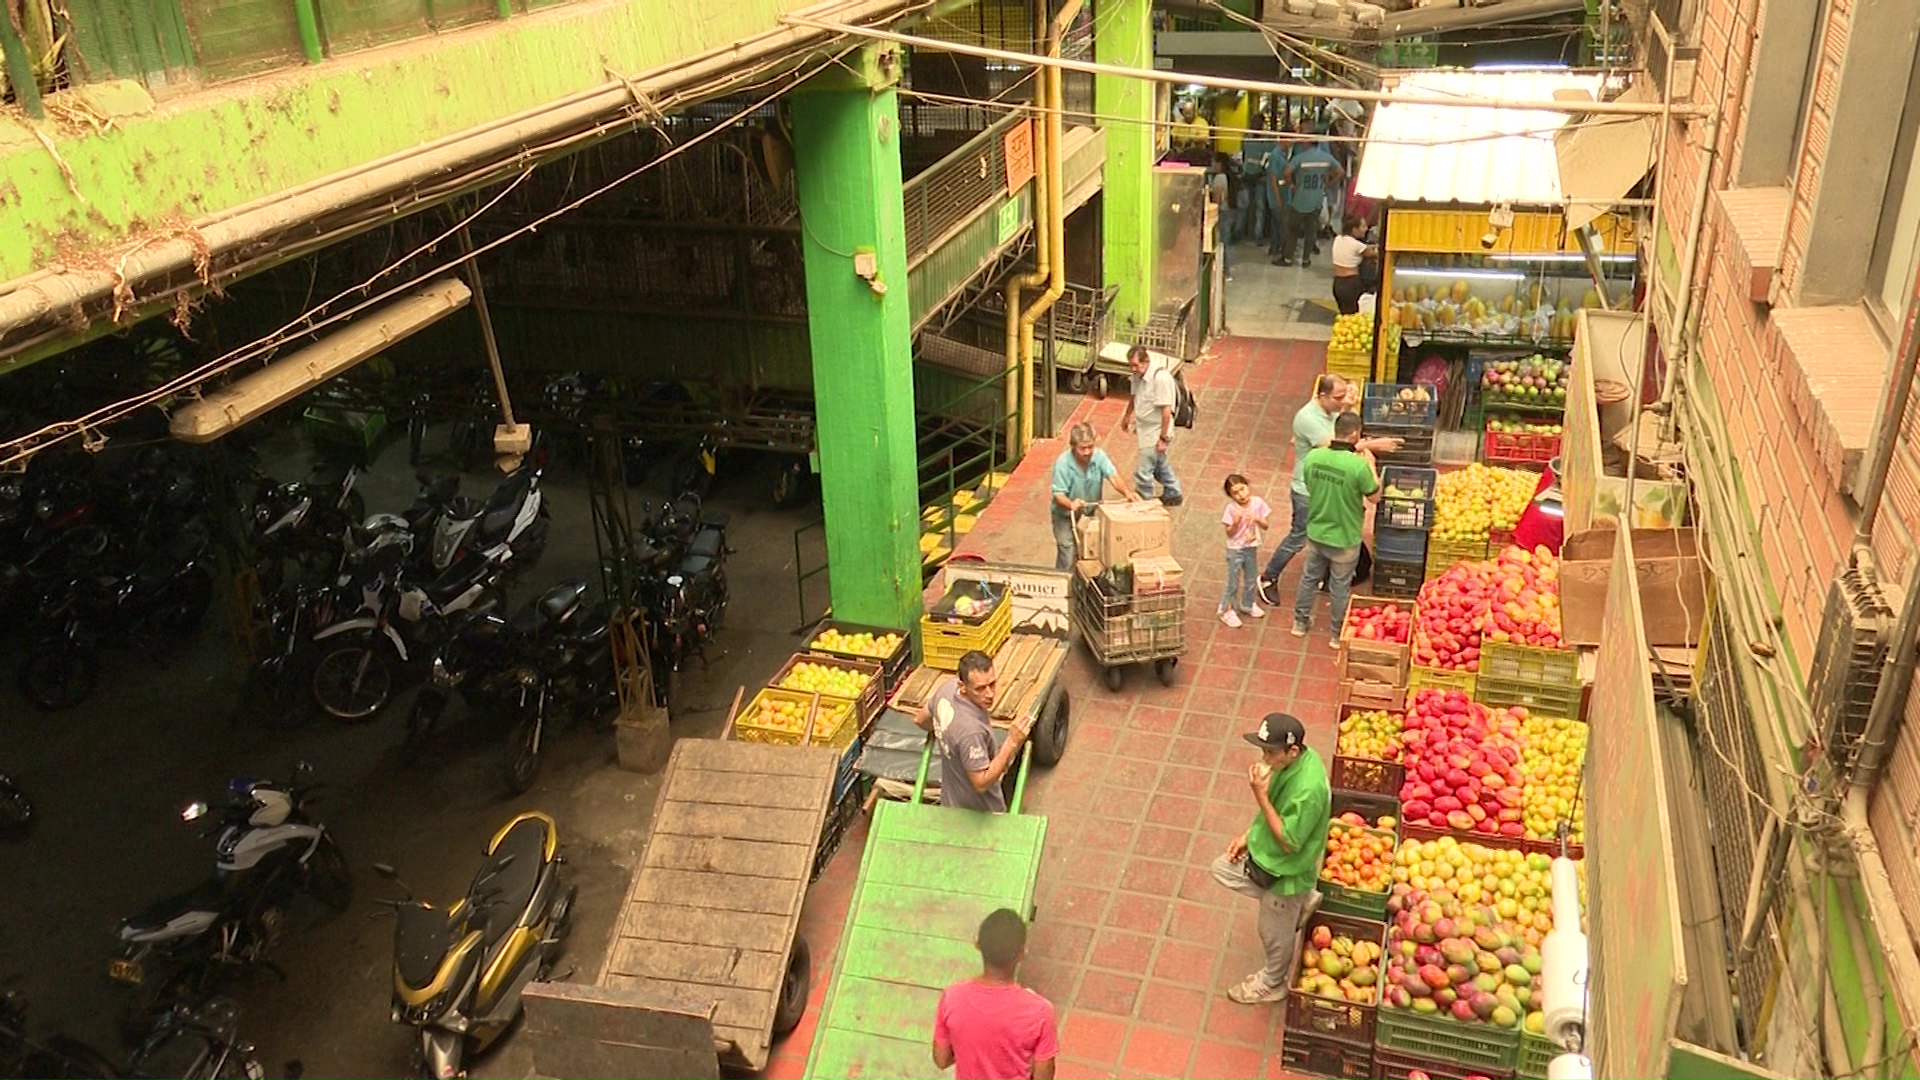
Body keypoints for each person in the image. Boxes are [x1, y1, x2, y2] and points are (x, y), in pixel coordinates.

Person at [1211, 712, 1330, 1005]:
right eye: (1263, 750)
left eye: (1270, 752)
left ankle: (1273, 982)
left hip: (1285, 872)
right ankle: (1301, 902)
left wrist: (1260, 795)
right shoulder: (1294, 759)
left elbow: (1290, 843)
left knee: (1272, 933)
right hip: (1266, 856)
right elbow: (1276, 809)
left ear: (1292, 750)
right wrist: (1250, 835)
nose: (1265, 758)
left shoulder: (1309, 789)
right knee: (1222, 869)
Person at [1257, 376, 1397, 606]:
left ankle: (1327, 574)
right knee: (1299, 536)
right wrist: (1373, 445)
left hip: (1326, 483)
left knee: (1333, 527)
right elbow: (1335, 446)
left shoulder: (1331, 412)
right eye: (1338, 398)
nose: (1342, 402)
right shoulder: (1308, 418)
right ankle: (1268, 578)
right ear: (1322, 395)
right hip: (1307, 487)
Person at [933, 908, 1060, 1080]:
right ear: (1022, 953)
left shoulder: (952, 996)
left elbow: (941, 1059)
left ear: (977, 943)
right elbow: (1043, 1077)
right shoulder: (1041, 1011)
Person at [1293, 410, 1379, 645]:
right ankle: (1335, 634)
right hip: (1345, 537)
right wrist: (1371, 464)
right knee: (1339, 587)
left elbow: (1310, 485)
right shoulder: (1357, 466)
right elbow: (1374, 497)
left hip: (1317, 531)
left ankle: (1300, 623)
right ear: (1354, 434)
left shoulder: (1313, 457)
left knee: (1309, 578)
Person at [911, 650, 1030, 813]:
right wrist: (1011, 743)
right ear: (963, 686)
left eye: (992, 684)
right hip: (980, 813)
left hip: (950, 803)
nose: (989, 694)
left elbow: (920, 719)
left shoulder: (946, 689)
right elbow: (980, 783)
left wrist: (945, 732)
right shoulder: (971, 732)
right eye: (980, 689)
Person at [1049, 422, 1134, 571]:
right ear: (1073, 446)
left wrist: (1127, 492)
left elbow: (1113, 476)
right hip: (1065, 516)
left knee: (1090, 550)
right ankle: (1063, 582)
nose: (1087, 452)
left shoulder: (1099, 457)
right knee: (1067, 553)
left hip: (1089, 513)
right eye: (1083, 448)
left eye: (1090, 447)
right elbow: (1058, 494)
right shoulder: (1063, 464)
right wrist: (1071, 504)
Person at [1118, 345, 1183, 506]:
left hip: (1157, 428)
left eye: (1136, 365)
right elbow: (1134, 396)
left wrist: (1163, 438)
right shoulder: (1137, 376)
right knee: (1159, 463)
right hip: (1144, 427)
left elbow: (1166, 411)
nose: (1133, 369)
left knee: (1144, 469)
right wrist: (1127, 415)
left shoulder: (1160, 378)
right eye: (1131, 365)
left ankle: (1143, 497)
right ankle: (1173, 491)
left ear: (1146, 361)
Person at [1272, 138, 1344, 268]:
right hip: (1317, 199)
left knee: (1292, 229)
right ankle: (1306, 259)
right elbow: (1340, 172)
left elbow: (1287, 172)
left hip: (1300, 199)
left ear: (1307, 143)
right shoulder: (1326, 158)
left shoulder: (1300, 158)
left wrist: (1291, 185)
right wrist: (1327, 184)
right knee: (1311, 231)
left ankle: (1288, 258)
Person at [1219, 473, 1271, 628]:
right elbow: (1229, 533)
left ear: (1248, 486)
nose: (1241, 495)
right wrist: (1234, 524)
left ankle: (1248, 604)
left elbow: (1266, 525)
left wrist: (1258, 519)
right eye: (1235, 493)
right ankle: (1225, 610)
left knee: (1250, 578)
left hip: (1251, 546)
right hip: (1235, 548)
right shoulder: (1231, 509)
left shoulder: (1258, 503)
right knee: (1233, 582)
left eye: (1242, 489)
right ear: (1231, 496)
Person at [1330, 214, 1379, 315]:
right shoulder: (1357, 245)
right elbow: (1375, 253)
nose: (1366, 229)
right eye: (1363, 226)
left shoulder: (1338, 239)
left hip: (1337, 284)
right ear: (1354, 229)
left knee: (1345, 316)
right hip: (1351, 284)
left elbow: (1364, 247)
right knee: (1354, 316)